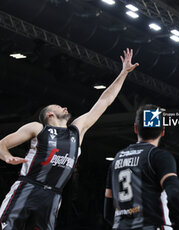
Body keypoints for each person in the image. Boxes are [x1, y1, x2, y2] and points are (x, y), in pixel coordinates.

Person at [0, 48, 139, 230]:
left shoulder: (77, 131)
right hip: (29, 187)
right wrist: (6, 157)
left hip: (53, 196)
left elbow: (104, 101)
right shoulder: (38, 128)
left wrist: (123, 73)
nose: (65, 107)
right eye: (59, 106)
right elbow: (2, 144)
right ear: (50, 114)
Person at [104, 104, 179, 230]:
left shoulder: (117, 159)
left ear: (135, 128)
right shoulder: (158, 156)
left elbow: (108, 212)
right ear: (163, 131)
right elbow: (175, 194)